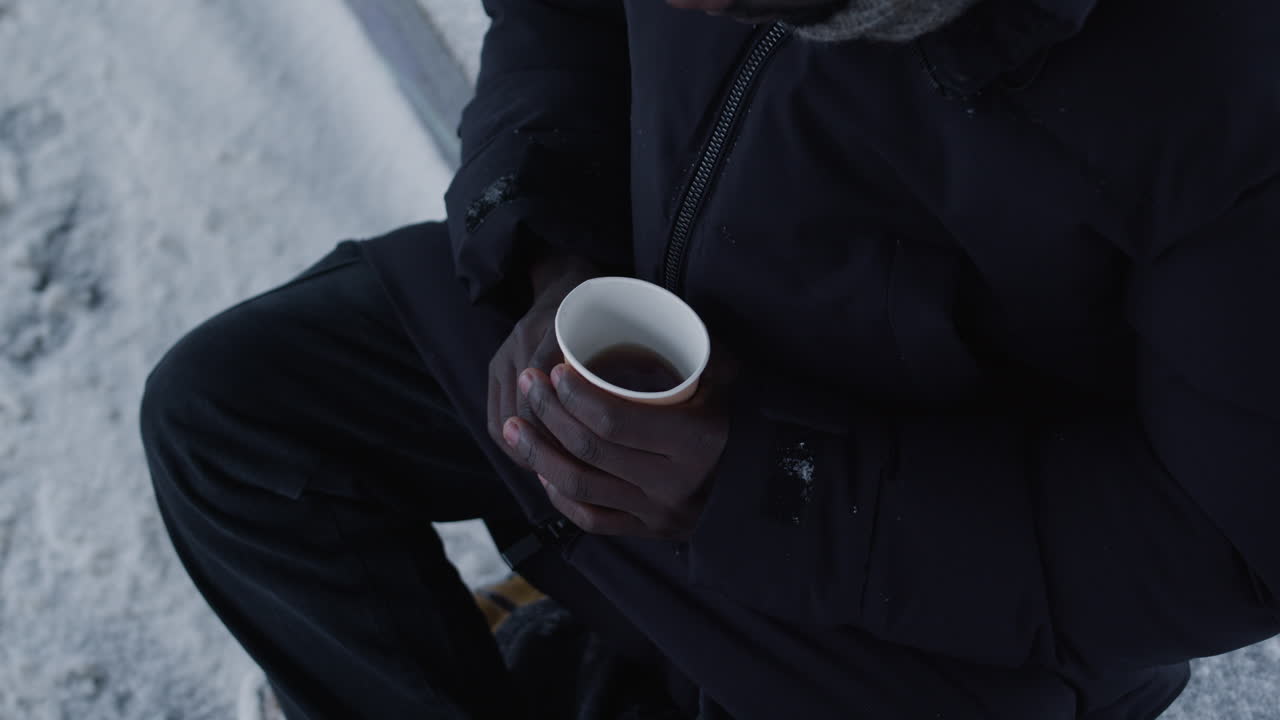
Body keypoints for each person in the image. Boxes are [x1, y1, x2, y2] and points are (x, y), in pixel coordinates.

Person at [140, 0, 1280, 717]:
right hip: (625, 334)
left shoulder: (1230, 79)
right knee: (234, 421)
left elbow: (1224, 548)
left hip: (933, 613)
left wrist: (759, 484)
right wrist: (549, 252)